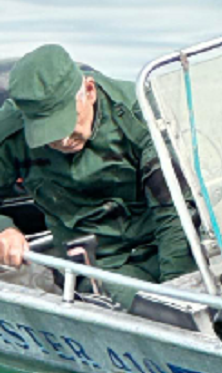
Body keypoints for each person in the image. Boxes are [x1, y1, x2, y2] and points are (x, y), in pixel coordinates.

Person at [0, 44, 197, 308]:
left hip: (163, 243)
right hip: (98, 262)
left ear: (89, 91)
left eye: (66, 122)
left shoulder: (140, 114)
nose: (63, 139)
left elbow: (173, 209)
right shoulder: (11, 131)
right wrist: (5, 229)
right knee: (146, 310)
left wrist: (180, 292)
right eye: (48, 132)